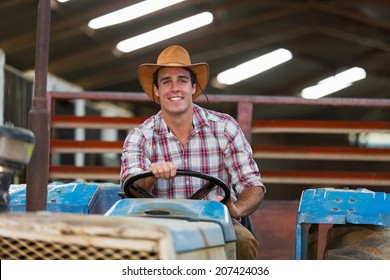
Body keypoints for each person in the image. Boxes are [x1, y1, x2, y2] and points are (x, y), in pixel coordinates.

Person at [120, 45, 265, 260]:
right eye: (166, 81)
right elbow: (130, 187)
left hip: (216, 223)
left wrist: (235, 209)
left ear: (193, 87)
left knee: (242, 241)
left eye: (182, 80)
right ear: (157, 90)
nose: (175, 88)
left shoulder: (225, 127)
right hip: (161, 225)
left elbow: (252, 184)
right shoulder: (140, 136)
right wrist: (150, 175)